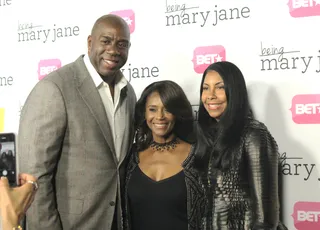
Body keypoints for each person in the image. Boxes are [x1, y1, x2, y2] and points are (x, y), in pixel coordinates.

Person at [18, 14, 136, 230]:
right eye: (106, 41)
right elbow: (34, 178)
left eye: (122, 44)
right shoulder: (55, 88)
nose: (114, 50)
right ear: (90, 42)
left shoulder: (129, 94)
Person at [195, 61, 287, 230]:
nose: (211, 95)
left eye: (220, 87)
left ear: (234, 91)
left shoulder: (254, 135)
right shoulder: (203, 136)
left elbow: (265, 220)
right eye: (205, 88)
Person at [123, 80, 207, 230]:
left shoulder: (198, 155)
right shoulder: (130, 156)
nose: (160, 116)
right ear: (144, 113)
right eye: (153, 109)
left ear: (178, 113)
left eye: (167, 110)